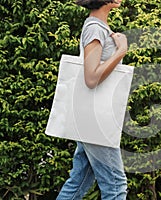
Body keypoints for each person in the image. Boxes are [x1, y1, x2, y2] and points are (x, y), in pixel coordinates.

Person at [56, 0, 128, 199]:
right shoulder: (95, 28)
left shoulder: (100, 27)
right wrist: (121, 50)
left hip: (90, 116)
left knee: (80, 180)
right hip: (95, 118)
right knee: (116, 186)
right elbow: (91, 77)